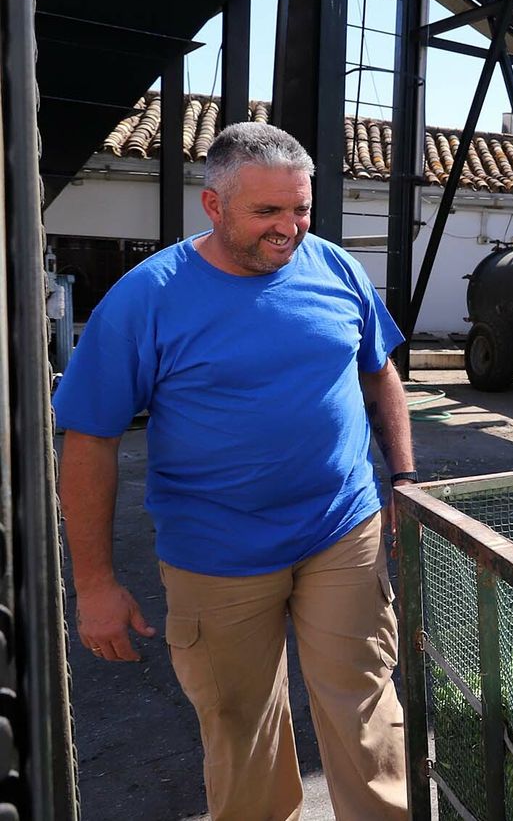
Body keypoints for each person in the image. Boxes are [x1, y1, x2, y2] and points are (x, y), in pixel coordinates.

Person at [54, 122, 412, 819]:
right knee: (241, 729)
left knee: (366, 709)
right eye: (268, 213)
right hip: (215, 552)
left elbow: (380, 373)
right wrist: (94, 583)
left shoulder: (336, 268)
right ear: (213, 207)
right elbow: (89, 440)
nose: (290, 230)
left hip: (341, 529)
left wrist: (401, 475)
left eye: (301, 208)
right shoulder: (145, 297)